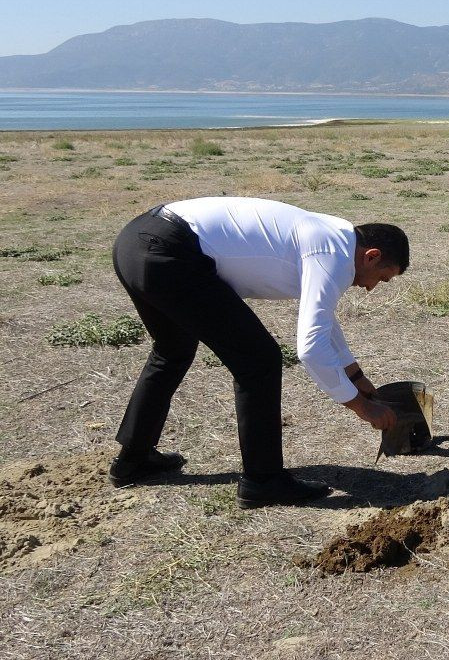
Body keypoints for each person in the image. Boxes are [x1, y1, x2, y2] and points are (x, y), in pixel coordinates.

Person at [109, 197, 409, 509]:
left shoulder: (334, 238)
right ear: (371, 256)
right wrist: (361, 406)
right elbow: (311, 347)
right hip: (171, 253)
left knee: (172, 351)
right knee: (259, 360)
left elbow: (322, 318)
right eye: (382, 277)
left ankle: (134, 459)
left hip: (136, 243)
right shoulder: (331, 254)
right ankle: (263, 481)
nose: (373, 287)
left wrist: (354, 375)